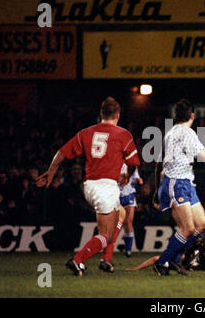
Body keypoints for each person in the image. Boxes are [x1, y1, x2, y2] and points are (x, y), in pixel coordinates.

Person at [36, 96, 140, 276]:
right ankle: (77, 260)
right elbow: (134, 162)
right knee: (106, 235)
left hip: (91, 185)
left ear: (101, 114)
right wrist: (127, 175)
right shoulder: (123, 134)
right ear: (118, 115)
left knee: (121, 214)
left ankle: (106, 260)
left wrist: (51, 173)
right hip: (105, 188)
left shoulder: (87, 132)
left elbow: (61, 153)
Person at [152, 98, 205, 276]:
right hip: (176, 182)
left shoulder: (170, 133)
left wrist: (157, 190)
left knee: (202, 225)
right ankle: (163, 262)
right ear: (192, 115)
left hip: (185, 183)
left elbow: (159, 161)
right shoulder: (186, 133)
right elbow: (203, 155)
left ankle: (174, 258)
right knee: (188, 228)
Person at [101, 163, 143, 263]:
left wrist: (139, 180)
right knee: (114, 223)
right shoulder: (113, 161)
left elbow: (136, 177)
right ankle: (107, 250)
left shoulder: (131, 164)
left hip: (129, 195)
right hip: (116, 195)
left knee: (128, 221)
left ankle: (128, 251)